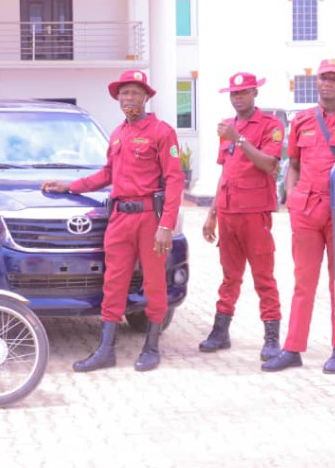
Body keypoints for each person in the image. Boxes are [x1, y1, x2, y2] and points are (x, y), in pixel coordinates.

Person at [42, 69, 184, 373]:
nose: (129, 98)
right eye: (124, 94)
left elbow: (174, 180)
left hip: (149, 219)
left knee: (154, 282)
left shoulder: (162, 132)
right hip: (119, 218)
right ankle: (106, 350)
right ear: (118, 99)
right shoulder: (118, 133)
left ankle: (152, 347)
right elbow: (107, 174)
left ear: (146, 97)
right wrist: (71, 186)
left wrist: (166, 226)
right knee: (114, 282)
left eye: (134, 93)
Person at [263, 58, 335, 375]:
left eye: (333, 78)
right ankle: (293, 348)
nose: (326, 83)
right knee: (303, 282)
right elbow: (294, 165)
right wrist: (292, 198)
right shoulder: (301, 121)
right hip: (306, 210)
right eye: (322, 78)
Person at [200, 72, 284, 362]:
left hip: (254, 213)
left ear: (255, 94)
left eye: (244, 93)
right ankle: (220, 332)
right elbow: (225, 173)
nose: (238, 98)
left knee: (264, 277)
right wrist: (212, 214)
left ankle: (272, 337)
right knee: (229, 277)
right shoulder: (228, 127)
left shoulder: (270, 125)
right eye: (234, 94)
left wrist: (241, 139)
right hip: (228, 213)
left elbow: (269, 165)